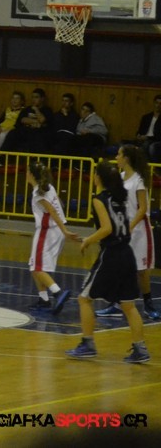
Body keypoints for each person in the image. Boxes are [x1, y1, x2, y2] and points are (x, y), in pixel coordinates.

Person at [65, 162, 150, 363]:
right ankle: (140, 349)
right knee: (128, 305)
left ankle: (87, 344)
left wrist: (88, 240)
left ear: (99, 178)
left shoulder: (99, 199)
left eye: (95, 174)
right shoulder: (120, 198)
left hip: (112, 254)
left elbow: (107, 229)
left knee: (84, 298)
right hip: (127, 253)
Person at [96, 145, 159, 321]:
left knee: (142, 270)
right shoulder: (120, 178)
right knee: (120, 267)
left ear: (127, 158)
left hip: (140, 230)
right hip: (124, 230)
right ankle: (116, 304)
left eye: (119, 154)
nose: (116, 157)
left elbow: (143, 208)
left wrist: (130, 226)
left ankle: (148, 305)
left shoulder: (139, 180)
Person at [24, 161, 78, 314]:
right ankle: (44, 299)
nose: (25, 174)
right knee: (34, 265)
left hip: (48, 231)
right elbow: (58, 205)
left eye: (27, 171)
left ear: (32, 175)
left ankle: (58, 293)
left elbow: (52, 212)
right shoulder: (49, 187)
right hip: (55, 231)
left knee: (37, 268)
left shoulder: (38, 193)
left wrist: (65, 231)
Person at [4, 88, 52, 153]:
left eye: (36, 97)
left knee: (38, 137)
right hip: (25, 131)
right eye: (32, 97)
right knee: (12, 133)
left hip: (38, 133)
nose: (34, 99)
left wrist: (36, 109)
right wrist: (36, 122)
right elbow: (22, 119)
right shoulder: (27, 109)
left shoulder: (47, 110)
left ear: (42, 99)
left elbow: (42, 120)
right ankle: (2, 155)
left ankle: (35, 158)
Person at [132, 94, 161, 162]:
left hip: (156, 141)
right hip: (143, 139)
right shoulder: (146, 117)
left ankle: (149, 166)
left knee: (149, 146)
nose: (158, 105)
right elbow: (140, 130)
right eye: (157, 103)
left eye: (160, 104)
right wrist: (138, 135)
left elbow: (159, 136)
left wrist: (147, 138)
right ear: (154, 103)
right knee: (125, 144)